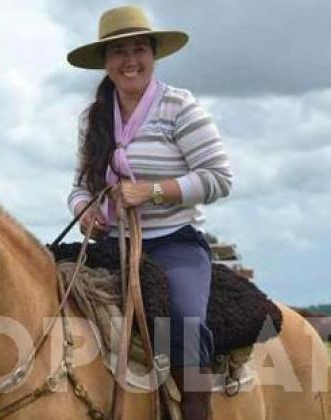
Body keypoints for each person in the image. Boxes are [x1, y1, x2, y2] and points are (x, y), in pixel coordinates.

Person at [65, 5, 232, 419]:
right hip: (108, 244)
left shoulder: (180, 107)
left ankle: (195, 410)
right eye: (118, 52)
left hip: (173, 243)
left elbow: (219, 178)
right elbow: (79, 187)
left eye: (138, 50)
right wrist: (84, 208)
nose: (129, 61)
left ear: (153, 56)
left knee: (186, 321)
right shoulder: (94, 117)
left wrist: (152, 192)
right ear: (105, 62)